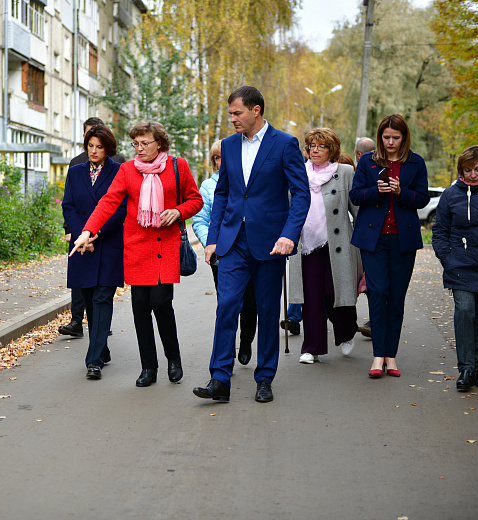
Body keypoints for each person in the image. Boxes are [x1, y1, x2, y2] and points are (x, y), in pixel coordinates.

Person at [193, 86, 310, 403]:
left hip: (272, 243)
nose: (232, 119)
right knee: (227, 306)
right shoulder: (229, 146)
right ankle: (219, 379)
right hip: (232, 242)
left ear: (256, 110)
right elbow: (222, 194)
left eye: (237, 113)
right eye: (230, 113)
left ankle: (265, 378)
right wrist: (213, 238)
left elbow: (301, 195)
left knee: (268, 310)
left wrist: (289, 234)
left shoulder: (285, 144)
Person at [72, 121, 203, 387]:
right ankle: (148, 368)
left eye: (145, 143)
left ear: (160, 144)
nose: (139, 149)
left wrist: (178, 212)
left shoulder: (178, 166)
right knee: (140, 309)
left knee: (161, 303)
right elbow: (109, 202)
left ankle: (174, 358)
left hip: (165, 246)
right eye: (135, 143)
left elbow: (195, 199)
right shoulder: (127, 170)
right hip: (137, 247)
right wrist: (88, 231)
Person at [349, 114, 429, 378]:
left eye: (396, 138)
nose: (391, 142)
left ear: (404, 138)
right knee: (378, 291)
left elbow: (422, 198)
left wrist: (401, 192)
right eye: (386, 137)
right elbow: (356, 195)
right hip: (373, 239)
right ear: (380, 137)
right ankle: (377, 356)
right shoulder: (368, 162)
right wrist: (378, 191)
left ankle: (390, 356)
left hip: (403, 240)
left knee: (395, 297)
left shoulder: (415, 162)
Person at [288, 128, 360, 363]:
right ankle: (312, 347)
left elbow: (357, 209)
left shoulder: (345, 172)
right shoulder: (299, 173)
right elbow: (289, 207)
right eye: (311, 146)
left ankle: (347, 332)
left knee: (334, 292)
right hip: (307, 244)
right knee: (311, 296)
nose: (315, 150)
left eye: (321, 146)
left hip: (337, 244)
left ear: (332, 150)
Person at [431, 145, 478, 392]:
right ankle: (465, 368)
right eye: (467, 170)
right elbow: (439, 231)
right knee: (465, 311)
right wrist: (448, 259)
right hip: (460, 266)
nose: (472, 175)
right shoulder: (451, 195)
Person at [62, 125, 127, 380]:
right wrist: (82, 236)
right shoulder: (75, 172)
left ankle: (94, 360)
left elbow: (120, 209)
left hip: (107, 243)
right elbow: (68, 206)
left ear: (108, 148)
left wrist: (95, 233)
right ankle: (103, 348)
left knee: (102, 299)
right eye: (90, 146)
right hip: (81, 246)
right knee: (89, 299)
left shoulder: (119, 171)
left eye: (99, 147)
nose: (94, 151)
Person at [193, 141, 257, 366]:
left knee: (250, 304)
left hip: (249, 249)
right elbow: (200, 219)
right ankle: (226, 352)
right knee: (227, 304)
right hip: (221, 252)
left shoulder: (249, 181)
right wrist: (211, 243)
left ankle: (246, 341)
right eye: (218, 158)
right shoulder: (208, 186)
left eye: (225, 157)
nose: (222, 161)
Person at [354, 137, 377, 338]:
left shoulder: (366, 171)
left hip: (362, 235)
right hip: (366, 235)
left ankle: (372, 320)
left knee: (370, 281)